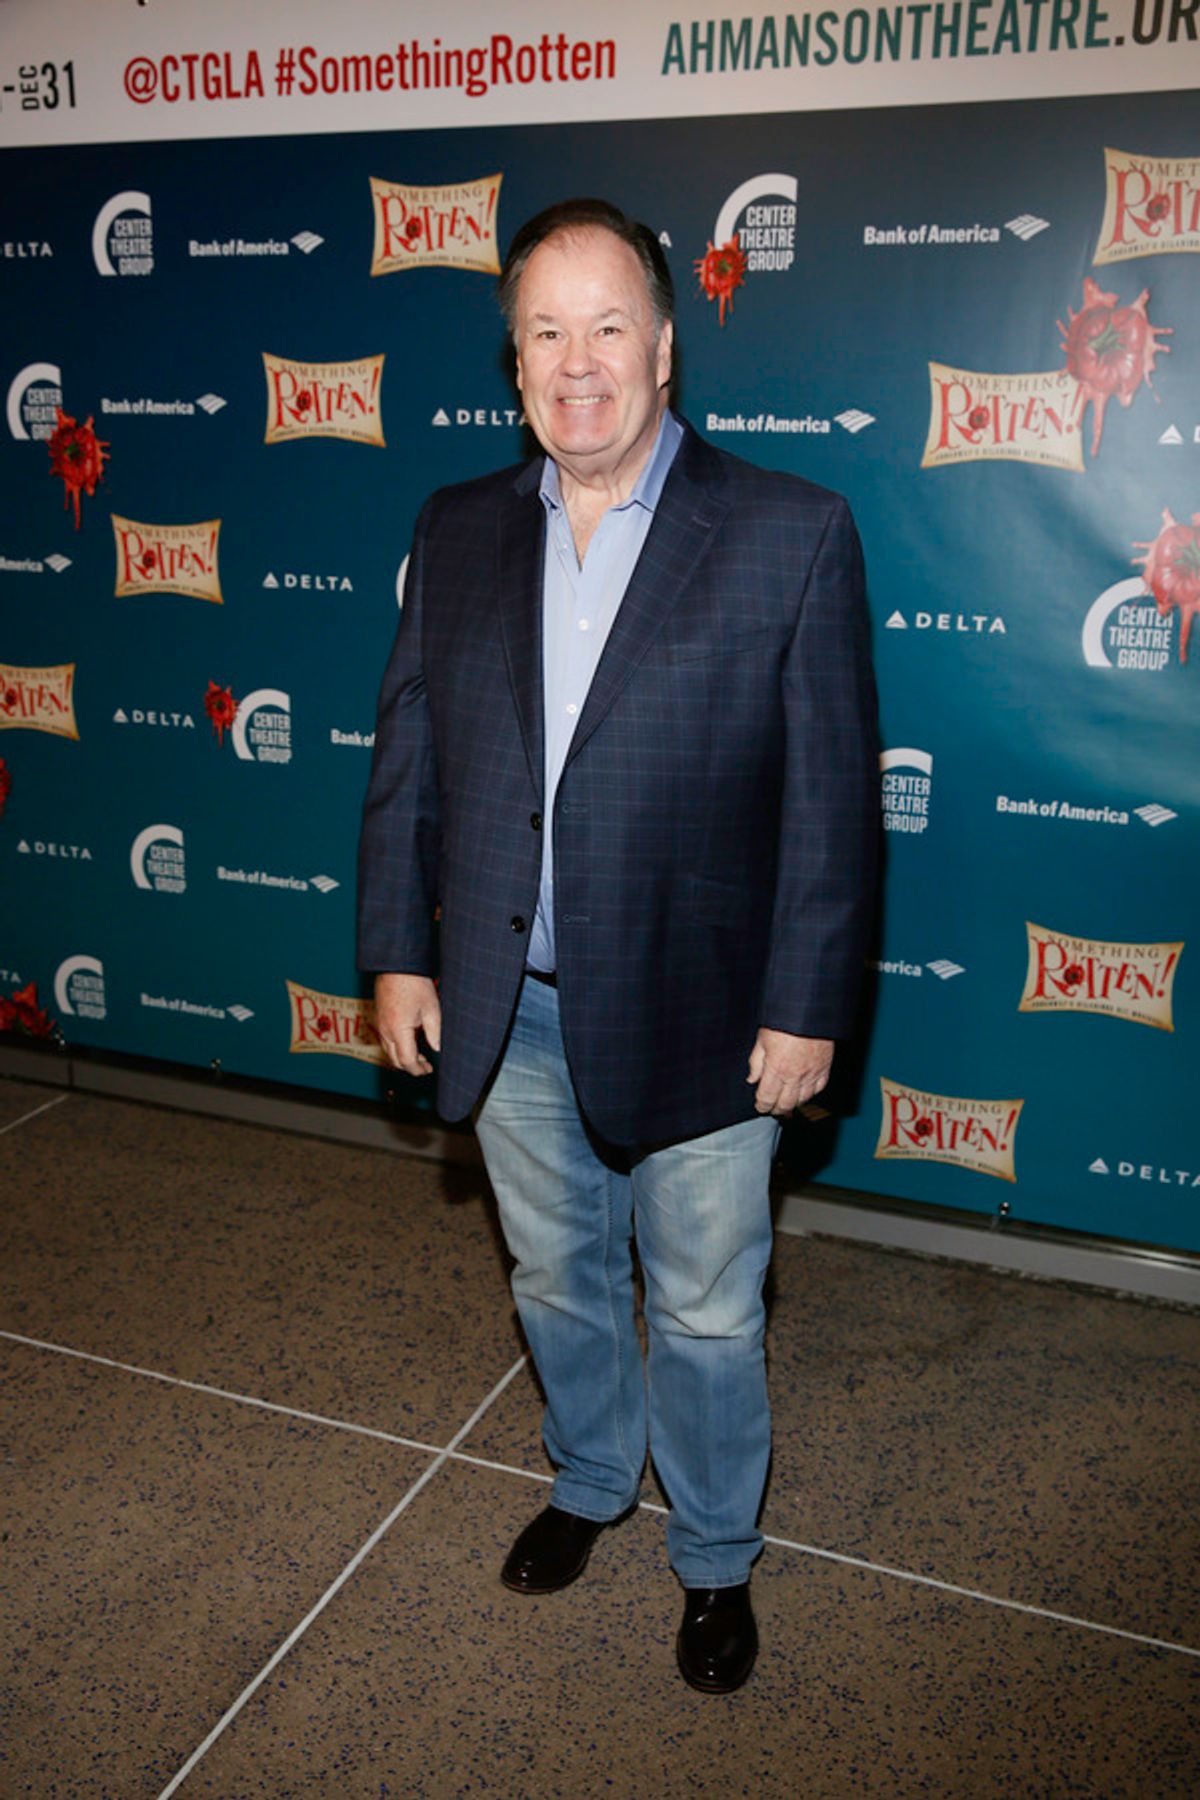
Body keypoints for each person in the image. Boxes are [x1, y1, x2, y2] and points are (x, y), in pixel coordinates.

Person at [358, 198, 879, 1693]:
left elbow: (836, 808)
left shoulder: (791, 530)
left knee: (709, 1307)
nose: (577, 362)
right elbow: (411, 758)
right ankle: (591, 1479)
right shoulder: (455, 528)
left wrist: (805, 1007)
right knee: (556, 1277)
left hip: (713, 1018)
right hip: (503, 1009)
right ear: (512, 361)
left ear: (663, 347)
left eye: (606, 328)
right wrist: (401, 953)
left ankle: (715, 1559)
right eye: (544, 332)